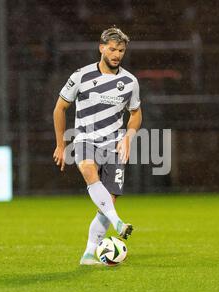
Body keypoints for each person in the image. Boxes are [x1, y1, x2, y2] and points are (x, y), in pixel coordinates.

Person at [52, 27, 142, 265]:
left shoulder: (130, 82)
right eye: (112, 49)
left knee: (107, 203)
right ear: (101, 47)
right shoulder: (81, 76)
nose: (117, 54)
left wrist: (128, 137)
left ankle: (88, 255)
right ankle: (118, 223)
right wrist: (61, 144)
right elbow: (60, 108)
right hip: (85, 139)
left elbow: (135, 113)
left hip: (114, 146)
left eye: (121, 50)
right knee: (88, 170)